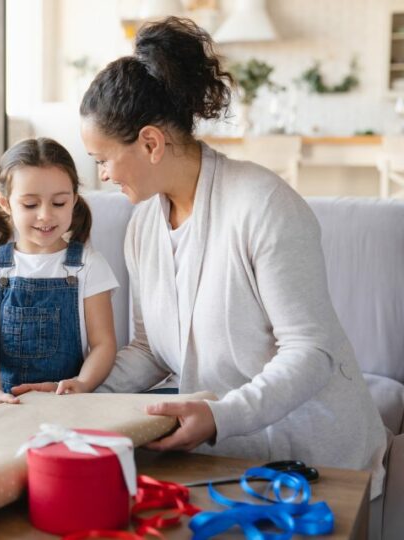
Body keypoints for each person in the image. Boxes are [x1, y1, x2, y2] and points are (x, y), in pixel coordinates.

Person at [33, 18, 388, 496]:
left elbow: (311, 353)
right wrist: (82, 389)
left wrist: (221, 417)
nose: (101, 176)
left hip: (311, 449)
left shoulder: (263, 204)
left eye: (103, 159)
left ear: (151, 143)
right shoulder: (142, 226)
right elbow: (150, 349)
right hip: (221, 437)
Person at [0, 138, 119, 419]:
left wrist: (82, 384)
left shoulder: (88, 265)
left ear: (74, 200)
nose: (45, 215)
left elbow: (103, 344)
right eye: (31, 204)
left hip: (61, 402)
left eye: (59, 202)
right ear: (4, 202)